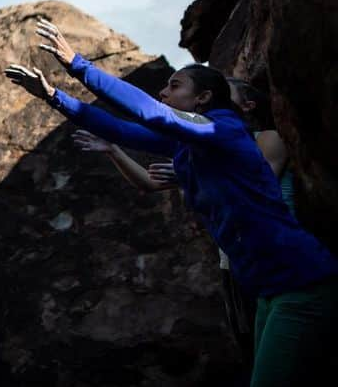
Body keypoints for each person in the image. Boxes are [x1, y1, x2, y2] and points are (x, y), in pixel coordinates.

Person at [5, 19, 338, 386]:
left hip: (302, 284)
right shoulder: (188, 145)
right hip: (268, 291)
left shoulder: (221, 130)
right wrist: (54, 96)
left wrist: (77, 64)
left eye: (174, 85)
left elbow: (151, 112)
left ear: (203, 99)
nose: (164, 92)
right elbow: (121, 129)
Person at [72, 77, 296, 363]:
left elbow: (255, 190)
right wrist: (113, 150)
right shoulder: (199, 150)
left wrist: (192, 175)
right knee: (252, 351)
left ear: (248, 106)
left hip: (275, 258)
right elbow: (147, 183)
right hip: (234, 266)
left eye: (224, 96)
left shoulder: (268, 138)